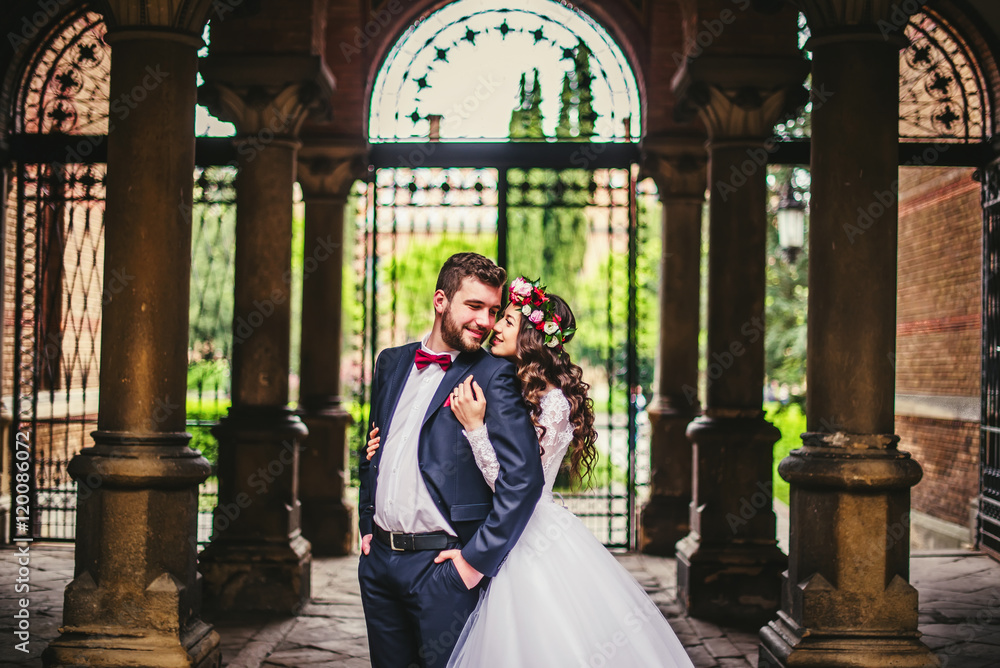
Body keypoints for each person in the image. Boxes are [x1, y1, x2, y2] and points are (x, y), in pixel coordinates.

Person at [368, 277, 696, 668]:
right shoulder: (510, 385)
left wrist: (474, 428)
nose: (494, 326)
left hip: (527, 534)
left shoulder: (551, 402)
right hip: (485, 531)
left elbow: (517, 482)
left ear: (531, 338)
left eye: (506, 319)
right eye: (496, 316)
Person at [357, 254, 545, 668]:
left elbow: (524, 480)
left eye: (494, 311)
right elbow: (374, 445)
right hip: (379, 565)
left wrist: (473, 563)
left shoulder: (496, 373)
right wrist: (366, 521)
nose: (486, 320)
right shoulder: (391, 362)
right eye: (474, 306)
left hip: (443, 569)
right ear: (441, 300)